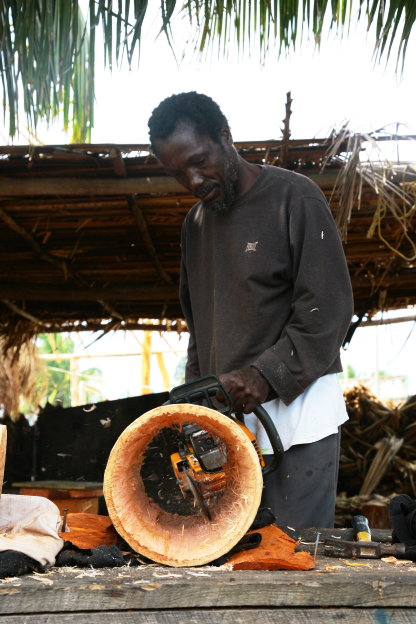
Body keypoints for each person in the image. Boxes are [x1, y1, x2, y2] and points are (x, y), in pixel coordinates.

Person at [148, 91, 354, 529]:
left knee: (293, 558)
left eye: (199, 160)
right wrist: (195, 406)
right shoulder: (195, 225)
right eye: (178, 172)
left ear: (225, 136)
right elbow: (200, 332)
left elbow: (329, 309)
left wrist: (262, 376)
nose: (194, 180)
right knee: (231, 565)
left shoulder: (294, 199)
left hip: (297, 423)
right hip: (228, 426)